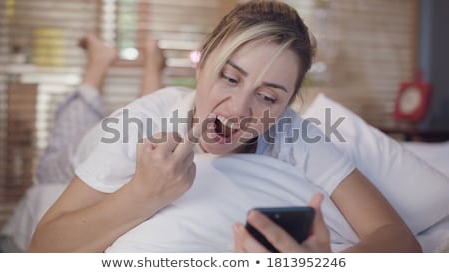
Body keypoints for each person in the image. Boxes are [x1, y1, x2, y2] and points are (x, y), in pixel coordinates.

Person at [29, 0, 421, 253]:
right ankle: (134, 64)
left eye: (268, 97)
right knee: (63, 151)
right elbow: (42, 251)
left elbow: (399, 240)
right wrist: (142, 194)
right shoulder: (144, 118)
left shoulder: (291, 131)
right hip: (94, 144)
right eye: (230, 78)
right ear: (201, 66)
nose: (238, 109)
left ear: (285, 105)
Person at [0, 33, 165, 252]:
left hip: (68, 173)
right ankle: (145, 64)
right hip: (108, 172)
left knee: (61, 162)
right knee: (149, 125)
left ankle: (105, 62)